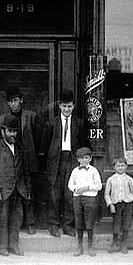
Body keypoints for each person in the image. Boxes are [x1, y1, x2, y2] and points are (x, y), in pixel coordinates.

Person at [45, 89, 90, 237]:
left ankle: (68, 225)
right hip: (55, 161)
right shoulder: (52, 123)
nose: (66, 109)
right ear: (59, 106)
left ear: (74, 106)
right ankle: (53, 224)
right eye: (64, 106)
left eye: (69, 106)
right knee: (54, 194)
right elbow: (44, 144)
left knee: (70, 194)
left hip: (72, 160)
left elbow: (83, 144)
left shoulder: (79, 123)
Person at [0, 115, 32, 256]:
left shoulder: (20, 148)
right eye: (10, 131)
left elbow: (26, 170)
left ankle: (13, 246)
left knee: (16, 219)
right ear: (3, 131)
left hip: (18, 190)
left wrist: (27, 189)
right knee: (3, 219)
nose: (13, 134)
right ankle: (2, 247)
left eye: (15, 131)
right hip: (3, 191)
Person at [0, 87, 39, 234]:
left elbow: (38, 138)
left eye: (15, 100)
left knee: (28, 191)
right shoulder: (3, 119)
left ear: (21, 100)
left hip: (27, 158)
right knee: (13, 192)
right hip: (11, 159)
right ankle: (13, 225)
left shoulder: (31, 116)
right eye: (10, 102)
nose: (13, 104)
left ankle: (30, 222)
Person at [67, 147, 102, 256]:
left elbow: (99, 186)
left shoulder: (93, 171)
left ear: (90, 158)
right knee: (79, 222)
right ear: (78, 159)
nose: (84, 160)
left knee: (89, 222)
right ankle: (79, 246)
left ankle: (90, 247)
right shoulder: (75, 171)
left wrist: (87, 187)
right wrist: (75, 189)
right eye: (81, 158)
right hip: (78, 198)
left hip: (90, 198)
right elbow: (70, 184)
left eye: (86, 157)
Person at [104, 156, 133, 254]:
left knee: (126, 224)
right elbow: (107, 194)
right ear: (114, 167)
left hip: (128, 204)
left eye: (122, 165)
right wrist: (110, 204)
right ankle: (115, 243)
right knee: (116, 224)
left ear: (126, 167)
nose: (120, 168)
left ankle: (124, 244)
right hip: (116, 205)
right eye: (118, 166)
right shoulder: (110, 180)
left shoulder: (129, 179)